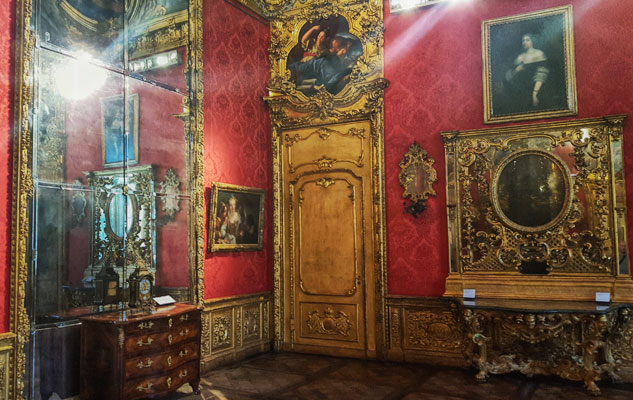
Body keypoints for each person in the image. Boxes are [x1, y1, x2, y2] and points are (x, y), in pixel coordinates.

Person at [288, 34, 355, 94]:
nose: (330, 48)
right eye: (330, 46)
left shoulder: (345, 66)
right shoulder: (326, 60)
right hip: (299, 75)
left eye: (333, 47)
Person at [504, 33, 550, 112]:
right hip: (520, 91)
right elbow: (508, 77)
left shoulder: (539, 54)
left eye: (527, 40)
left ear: (532, 41)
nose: (524, 42)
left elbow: (542, 75)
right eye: (523, 40)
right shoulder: (519, 57)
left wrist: (535, 94)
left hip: (536, 89)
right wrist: (516, 71)